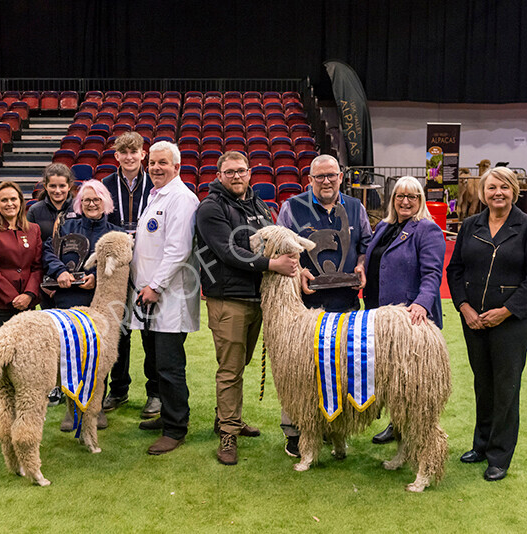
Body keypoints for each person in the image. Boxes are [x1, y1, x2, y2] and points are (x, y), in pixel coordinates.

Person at [195, 151, 299, 465]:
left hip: (258, 298)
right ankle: (228, 433)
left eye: (241, 171)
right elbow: (228, 252)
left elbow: (274, 242)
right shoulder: (210, 208)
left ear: (250, 172)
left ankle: (226, 418)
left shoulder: (260, 206)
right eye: (229, 172)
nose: (236, 176)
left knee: (240, 363)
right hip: (228, 298)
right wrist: (272, 264)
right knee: (230, 368)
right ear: (219, 175)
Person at [447, 166, 527, 482]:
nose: (497, 193)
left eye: (504, 188)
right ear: (483, 192)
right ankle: (481, 445)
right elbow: (456, 270)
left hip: (511, 323)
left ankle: (499, 455)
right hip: (473, 320)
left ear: (513, 191)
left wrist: (505, 311)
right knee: (483, 383)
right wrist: (464, 307)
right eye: (492, 188)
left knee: (506, 386)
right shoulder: (469, 226)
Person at [276, 154, 372, 457]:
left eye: (331, 175)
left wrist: (360, 266)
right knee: (300, 370)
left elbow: (366, 246)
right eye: (320, 177)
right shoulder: (291, 207)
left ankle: (333, 428)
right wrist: (298, 269)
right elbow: (281, 247)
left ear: (341, 177)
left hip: (344, 303)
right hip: (304, 307)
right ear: (310, 180)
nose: (326, 181)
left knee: (339, 366)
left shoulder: (356, 208)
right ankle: (295, 430)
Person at [363, 176, 446, 444]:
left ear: (420, 200)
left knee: (412, 380)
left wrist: (422, 303)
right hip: (379, 313)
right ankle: (396, 424)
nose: (405, 201)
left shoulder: (427, 230)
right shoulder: (384, 227)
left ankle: (419, 430)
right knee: (391, 375)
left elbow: (432, 273)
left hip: (410, 317)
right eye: (400, 196)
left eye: (412, 196)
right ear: (393, 199)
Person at [130, 140, 200, 455]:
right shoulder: (156, 195)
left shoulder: (182, 199)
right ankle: (166, 416)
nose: (156, 168)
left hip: (167, 297)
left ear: (177, 167)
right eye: (153, 163)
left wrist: (156, 286)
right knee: (156, 362)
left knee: (170, 366)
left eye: (163, 163)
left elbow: (178, 249)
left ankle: (175, 428)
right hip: (148, 296)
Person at [42, 179, 122, 431]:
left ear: (105, 202)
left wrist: (97, 278)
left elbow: (118, 265)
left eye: (96, 199)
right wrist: (59, 272)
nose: (91, 204)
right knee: (70, 354)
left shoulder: (114, 231)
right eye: (86, 200)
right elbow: (48, 251)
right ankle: (72, 407)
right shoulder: (67, 227)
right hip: (68, 300)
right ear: (79, 203)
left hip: (99, 302)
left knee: (99, 356)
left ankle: (95, 409)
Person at [100, 132, 161, 421]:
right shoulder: (106, 184)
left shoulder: (155, 183)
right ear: (117, 156)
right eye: (123, 152)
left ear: (142, 154)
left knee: (150, 330)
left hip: (148, 261)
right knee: (119, 328)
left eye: (134, 151)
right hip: (118, 263)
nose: (129, 157)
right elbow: (99, 219)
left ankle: (155, 392)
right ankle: (119, 388)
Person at [0, 181, 43, 423]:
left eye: (13, 199)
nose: (9, 204)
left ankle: (24, 414)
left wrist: (29, 295)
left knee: (24, 363)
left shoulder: (33, 229)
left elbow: (37, 267)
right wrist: (13, 297)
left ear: (21, 202)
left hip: (27, 307)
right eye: (4, 200)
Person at [27, 163, 75, 408]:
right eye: (53, 186)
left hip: (73, 284)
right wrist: (45, 282)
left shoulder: (78, 207)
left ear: (69, 186)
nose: (58, 190)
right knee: (50, 339)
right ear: (45, 187)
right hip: (47, 285)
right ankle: (54, 386)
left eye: (62, 186)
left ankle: (73, 385)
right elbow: (33, 248)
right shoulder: (35, 211)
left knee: (72, 338)